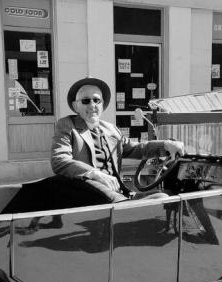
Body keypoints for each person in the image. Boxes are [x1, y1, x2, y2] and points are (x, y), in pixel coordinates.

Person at [51, 77, 184, 202]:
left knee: (169, 195)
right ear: (75, 106)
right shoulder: (68, 125)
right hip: (90, 195)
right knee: (159, 199)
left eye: (97, 100)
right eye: (86, 101)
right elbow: (59, 160)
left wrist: (166, 145)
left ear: (102, 104)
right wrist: (94, 173)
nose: (92, 105)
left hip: (117, 193)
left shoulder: (110, 129)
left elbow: (135, 148)